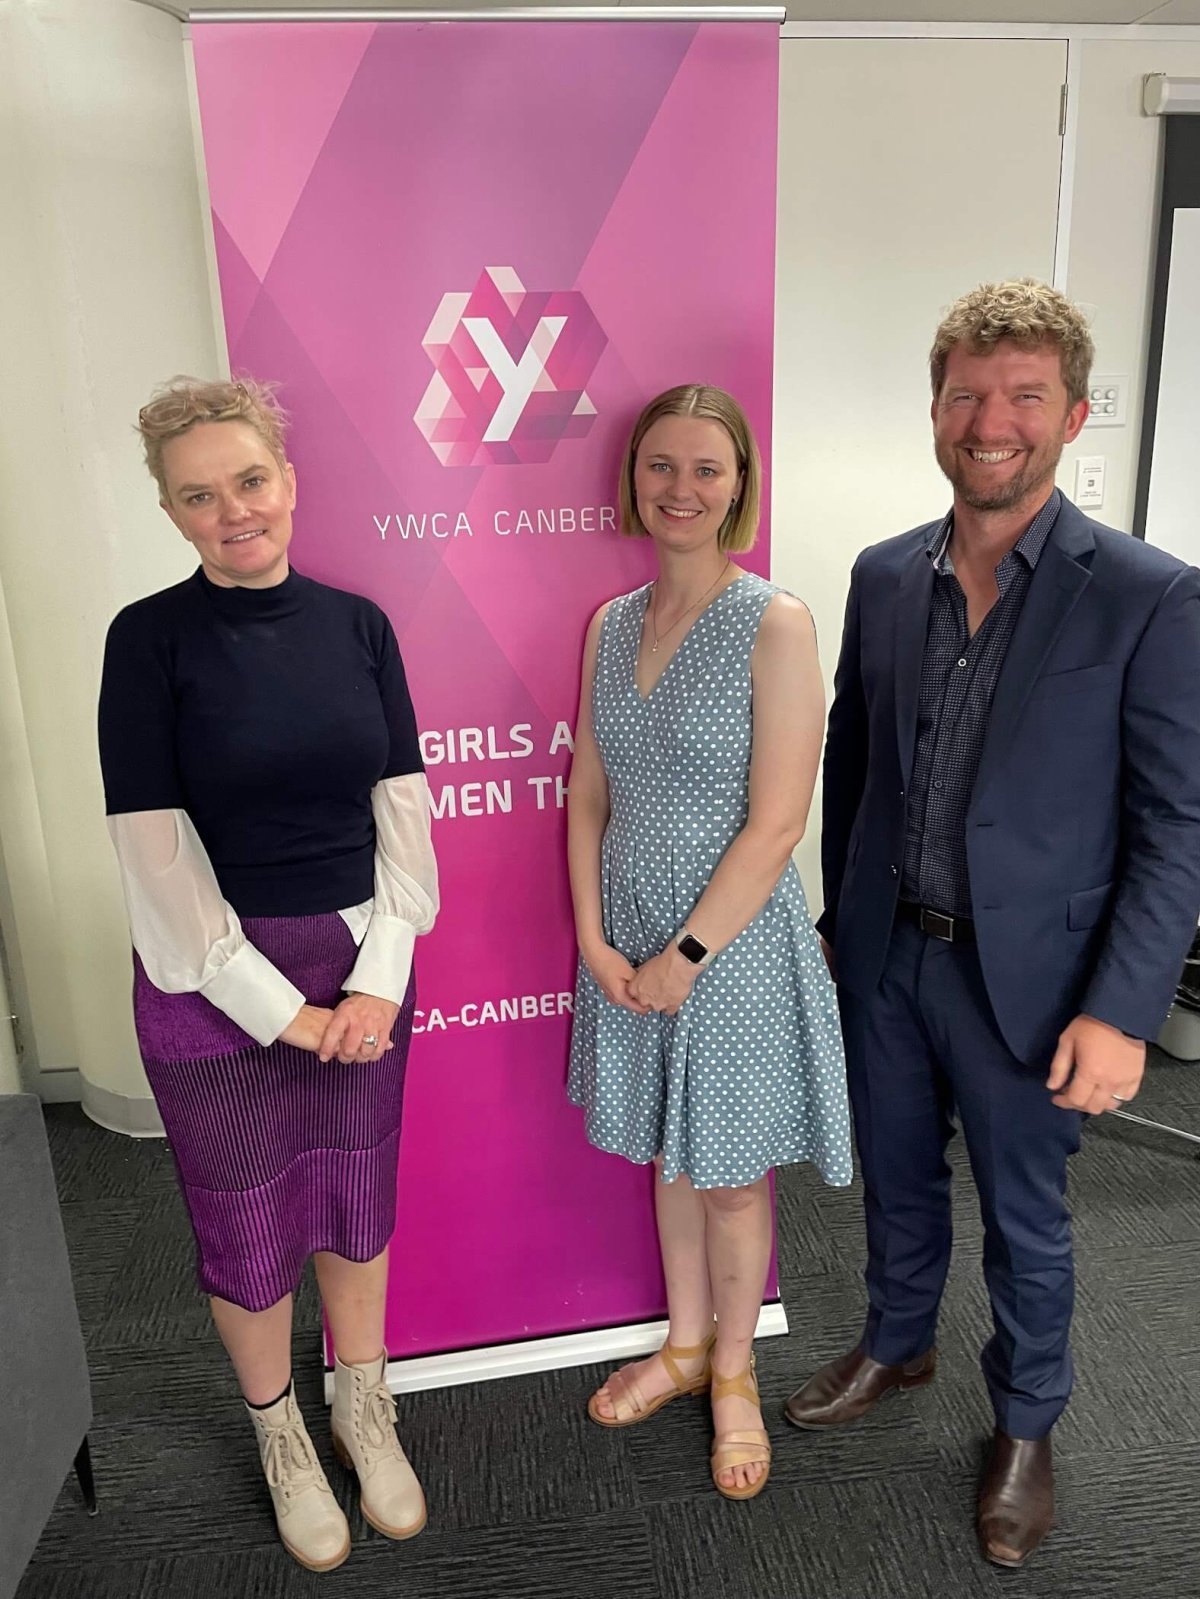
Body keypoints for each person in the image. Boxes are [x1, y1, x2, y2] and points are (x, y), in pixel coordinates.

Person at [783, 281, 1200, 1567]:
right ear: (934, 408)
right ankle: (898, 1342)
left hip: (1038, 977)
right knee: (898, 1181)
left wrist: (1126, 1008)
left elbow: (1177, 824)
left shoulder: (1147, 595)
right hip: (890, 952)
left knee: (1028, 1216)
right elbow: (854, 754)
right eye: (968, 393)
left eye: (1023, 396)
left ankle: (1026, 1424)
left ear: (1073, 414)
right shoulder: (882, 573)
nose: (991, 420)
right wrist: (838, 925)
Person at [98, 377, 439, 1574]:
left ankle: (362, 1404)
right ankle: (282, 1433)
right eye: (200, 495)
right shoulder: (148, 640)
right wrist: (282, 1011)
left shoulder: (360, 627)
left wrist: (377, 983)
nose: (233, 509)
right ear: (173, 513)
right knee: (244, 1224)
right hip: (213, 983)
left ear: (288, 483)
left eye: (250, 480)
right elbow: (155, 856)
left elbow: (404, 819)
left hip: (360, 969)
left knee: (354, 1201)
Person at [567, 384, 853, 1501]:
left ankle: (733, 1368)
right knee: (670, 1152)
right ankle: (684, 1343)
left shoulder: (774, 621)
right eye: (661, 468)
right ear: (633, 479)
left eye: (707, 470)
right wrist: (595, 938)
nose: (681, 490)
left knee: (730, 1177)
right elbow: (588, 788)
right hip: (628, 933)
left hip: (724, 950)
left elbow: (780, 821)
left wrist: (679, 962)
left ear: (740, 485)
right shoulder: (608, 621)